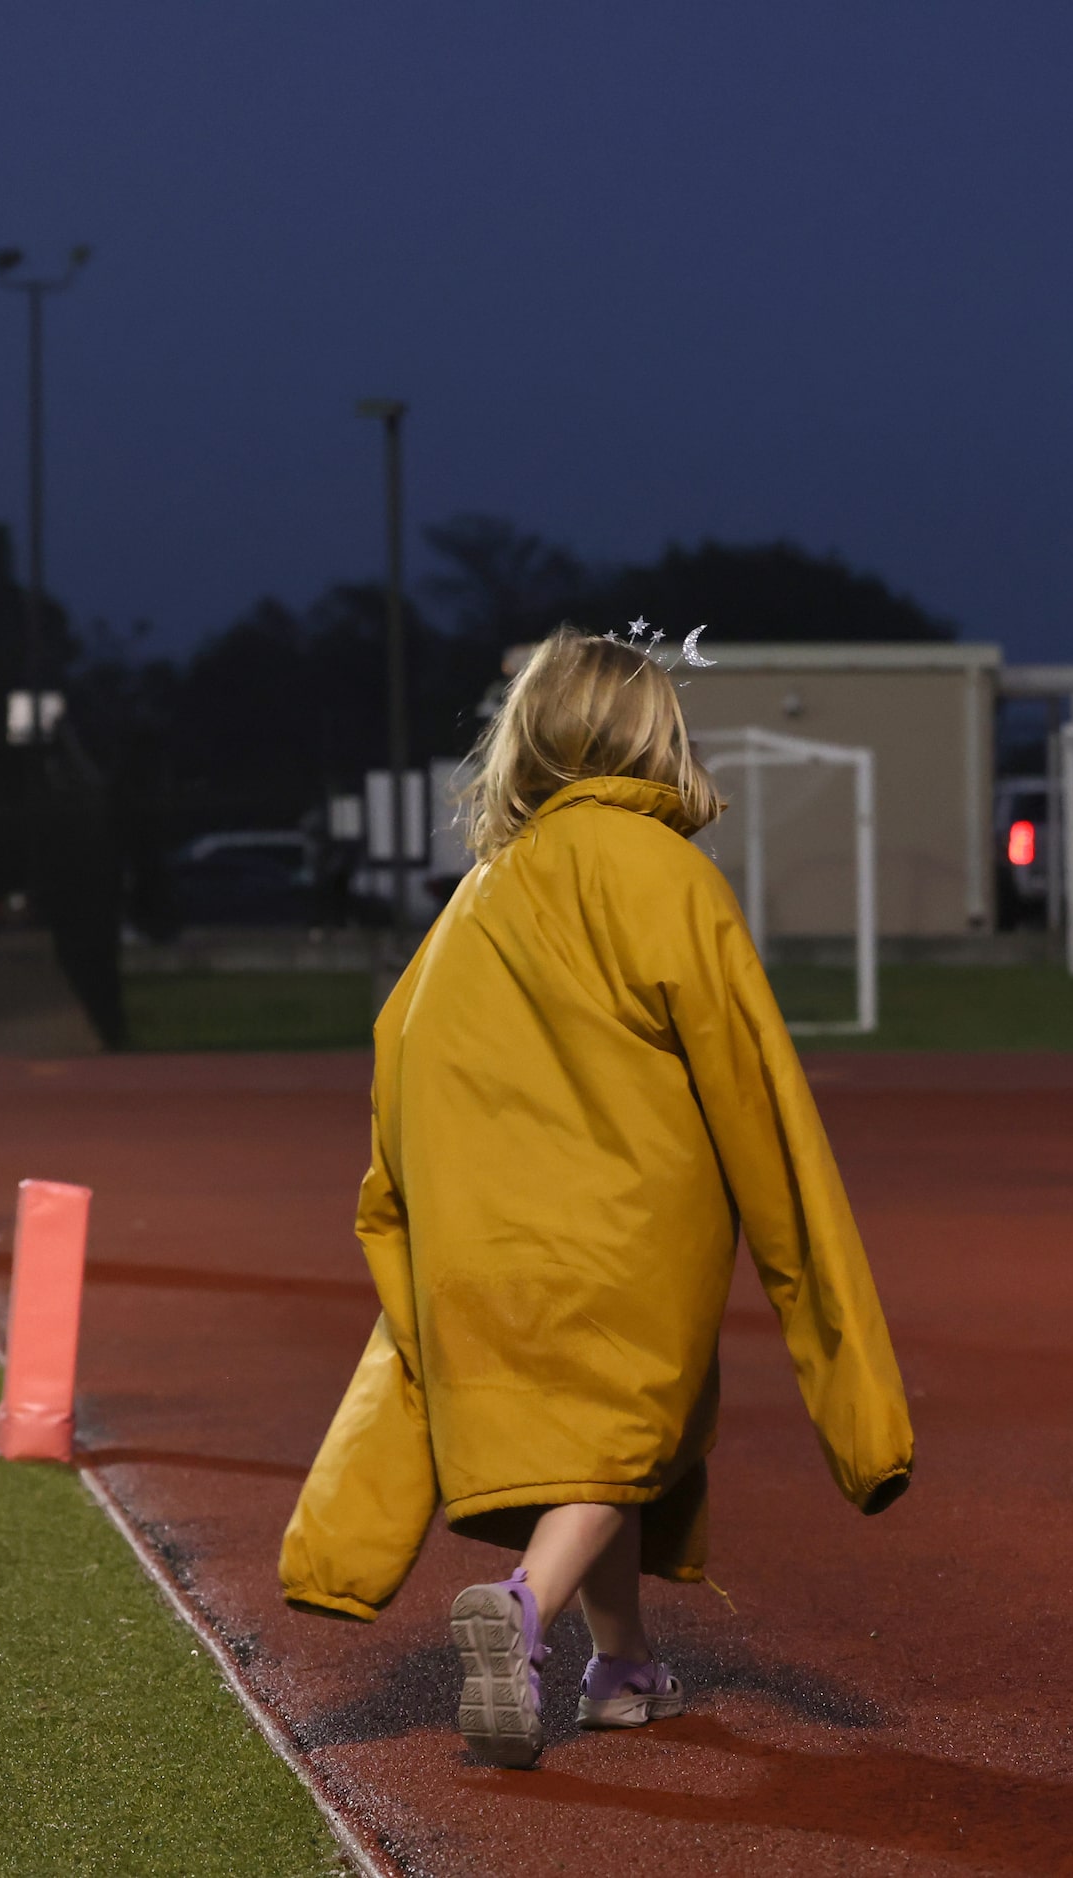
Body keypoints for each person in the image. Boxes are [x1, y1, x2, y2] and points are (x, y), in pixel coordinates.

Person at [277, 627, 912, 1769]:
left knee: (599, 1449)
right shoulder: (668, 876)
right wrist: (828, 1337)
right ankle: (523, 1607)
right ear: (658, 737)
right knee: (630, 1434)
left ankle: (619, 1669)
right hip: (626, 1227)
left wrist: (404, 1229)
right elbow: (751, 1085)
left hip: (480, 1230)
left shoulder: (477, 894)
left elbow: (400, 1064)